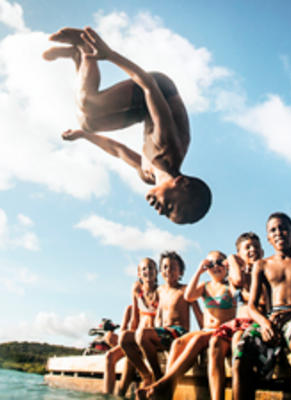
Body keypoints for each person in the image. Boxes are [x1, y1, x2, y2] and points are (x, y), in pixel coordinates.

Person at [43, 27, 211, 224]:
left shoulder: (148, 175)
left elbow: (118, 151)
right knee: (90, 104)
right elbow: (149, 86)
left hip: (144, 110)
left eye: (165, 215)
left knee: (88, 123)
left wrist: (84, 135)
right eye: (170, 207)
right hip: (159, 89)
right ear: (181, 183)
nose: (159, 212)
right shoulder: (166, 147)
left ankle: (77, 56)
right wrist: (109, 55)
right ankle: (85, 47)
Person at [233, 212, 291, 400]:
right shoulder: (262, 265)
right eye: (273, 230)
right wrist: (265, 324)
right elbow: (251, 306)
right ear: (268, 239)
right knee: (241, 350)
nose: (279, 233)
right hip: (271, 319)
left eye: (284, 228)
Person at [137, 250, 236, 400]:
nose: (216, 266)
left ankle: (163, 384)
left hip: (222, 329)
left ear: (226, 265)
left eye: (220, 262)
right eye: (211, 264)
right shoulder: (205, 285)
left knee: (196, 340)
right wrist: (199, 270)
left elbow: (240, 281)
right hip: (206, 330)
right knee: (177, 343)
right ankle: (168, 392)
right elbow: (188, 295)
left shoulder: (230, 285)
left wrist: (232, 264)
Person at [120, 251, 202, 388]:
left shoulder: (185, 290)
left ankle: (158, 377)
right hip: (161, 333)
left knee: (142, 334)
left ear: (180, 272)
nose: (168, 270)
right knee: (124, 337)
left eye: (173, 267)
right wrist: (137, 288)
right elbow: (150, 306)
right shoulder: (160, 290)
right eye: (165, 267)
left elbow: (199, 315)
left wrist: (204, 336)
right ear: (160, 271)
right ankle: (146, 374)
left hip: (178, 333)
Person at [208, 232, 268, 400]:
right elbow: (238, 281)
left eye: (256, 246)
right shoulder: (236, 276)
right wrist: (233, 260)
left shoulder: (266, 271)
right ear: (239, 254)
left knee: (238, 342)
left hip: (255, 321)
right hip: (238, 322)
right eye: (247, 247)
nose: (252, 250)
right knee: (214, 342)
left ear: (262, 251)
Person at [103, 257, 159, 395]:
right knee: (109, 356)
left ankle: (143, 379)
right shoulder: (136, 290)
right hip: (135, 336)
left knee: (127, 370)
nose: (148, 271)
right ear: (139, 274)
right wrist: (127, 340)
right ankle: (106, 395)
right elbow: (135, 318)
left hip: (149, 339)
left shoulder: (161, 292)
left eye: (151, 267)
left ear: (156, 272)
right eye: (144, 269)